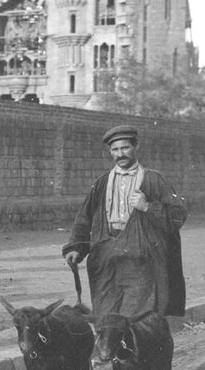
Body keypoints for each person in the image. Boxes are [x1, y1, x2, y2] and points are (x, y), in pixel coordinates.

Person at [62, 124, 187, 320]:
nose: (120, 154)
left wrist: (147, 207)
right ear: (110, 152)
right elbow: (84, 217)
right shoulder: (102, 182)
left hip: (140, 256)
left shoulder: (154, 179)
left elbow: (178, 215)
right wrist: (76, 247)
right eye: (115, 150)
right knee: (104, 315)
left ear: (135, 147)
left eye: (125, 148)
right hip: (105, 255)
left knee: (134, 317)